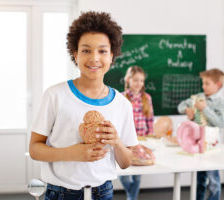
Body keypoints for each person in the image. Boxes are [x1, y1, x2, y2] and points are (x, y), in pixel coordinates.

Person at [29, 11, 138, 200]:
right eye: (86, 50)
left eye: (102, 51)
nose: (94, 58)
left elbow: (126, 162)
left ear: (112, 56)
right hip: (61, 193)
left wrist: (117, 142)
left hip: (103, 192)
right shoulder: (55, 95)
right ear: (75, 54)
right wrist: (71, 153)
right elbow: (34, 149)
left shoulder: (122, 104)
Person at [177, 68, 224, 200]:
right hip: (197, 146)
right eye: (203, 83)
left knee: (213, 181)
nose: (203, 86)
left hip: (212, 148)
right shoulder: (198, 98)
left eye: (207, 83)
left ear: (217, 84)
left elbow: (221, 123)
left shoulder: (221, 103)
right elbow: (180, 106)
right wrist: (187, 109)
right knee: (199, 180)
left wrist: (204, 109)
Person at [119, 66, 154, 200]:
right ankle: (131, 193)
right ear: (128, 80)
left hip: (141, 140)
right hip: (126, 141)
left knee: (138, 172)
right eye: (135, 80)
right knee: (124, 173)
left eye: (141, 80)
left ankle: (131, 198)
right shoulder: (122, 97)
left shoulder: (147, 98)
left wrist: (151, 135)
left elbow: (150, 119)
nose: (139, 83)